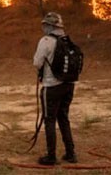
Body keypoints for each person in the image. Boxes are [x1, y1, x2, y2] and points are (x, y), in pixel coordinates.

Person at [32, 12, 77, 165]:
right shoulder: (66, 40)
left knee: (49, 120)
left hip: (51, 87)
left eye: (45, 24)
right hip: (68, 85)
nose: (43, 27)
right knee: (63, 118)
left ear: (51, 26)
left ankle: (51, 156)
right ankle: (70, 153)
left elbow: (37, 63)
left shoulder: (45, 41)